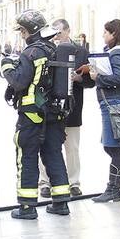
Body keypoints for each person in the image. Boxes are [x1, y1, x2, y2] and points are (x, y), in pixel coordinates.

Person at [1, 9, 71, 220]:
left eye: (22, 30)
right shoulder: (54, 50)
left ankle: (27, 207)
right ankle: (61, 203)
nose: (21, 34)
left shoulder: (31, 53)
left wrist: (6, 67)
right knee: (53, 155)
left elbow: (19, 82)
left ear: (28, 31)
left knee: (27, 158)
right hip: (54, 115)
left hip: (32, 117)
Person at [86, 19, 120, 202]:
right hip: (115, 103)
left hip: (114, 104)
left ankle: (113, 189)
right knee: (112, 146)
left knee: (112, 146)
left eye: (105, 33)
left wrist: (97, 77)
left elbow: (118, 78)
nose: (103, 36)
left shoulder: (118, 54)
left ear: (114, 34)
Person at [38, 19, 86, 198]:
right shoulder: (45, 51)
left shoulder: (80, 52)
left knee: (72, 147)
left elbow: (89, 80)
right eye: (54, 32)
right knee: (47, 145)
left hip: (72, 108)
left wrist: (78, 78)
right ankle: (45, 182)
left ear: (68, 31)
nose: (56, 36)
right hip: (49, 108)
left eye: (59, 32)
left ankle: (74, 183)